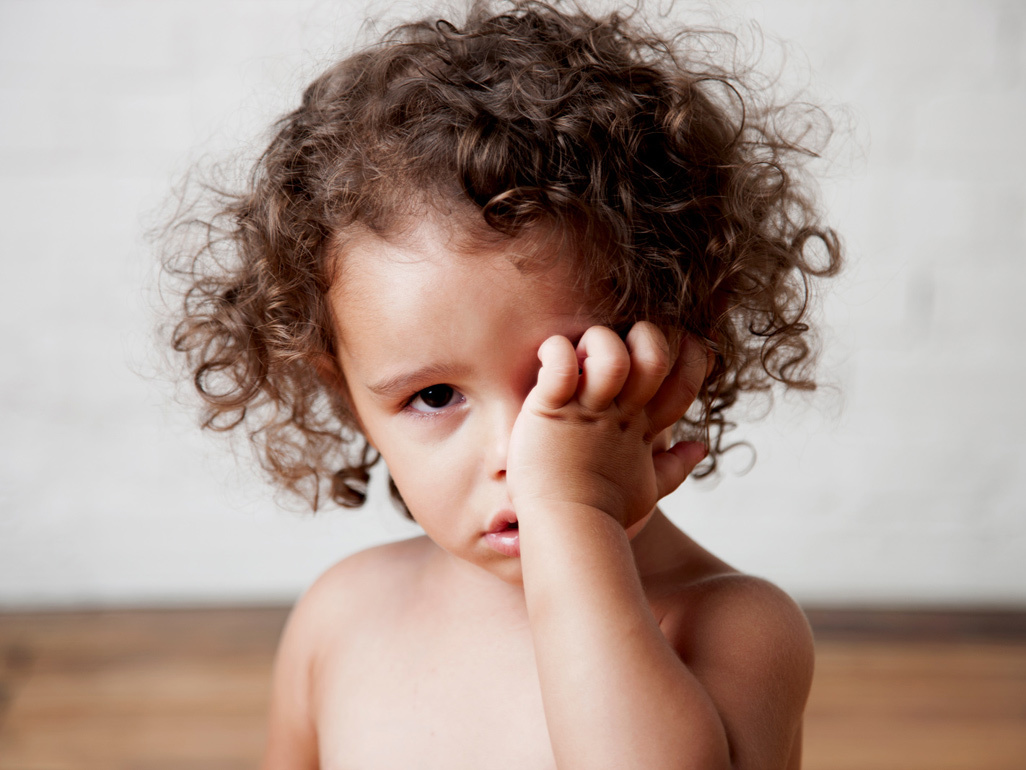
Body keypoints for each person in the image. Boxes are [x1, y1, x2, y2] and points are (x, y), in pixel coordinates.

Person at [162, 1, 842, 767]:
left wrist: (573, 516)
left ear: (687, 343)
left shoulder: (737, 626)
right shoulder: (340, 619)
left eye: (570, 377)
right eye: (434, 397)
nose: (522, 455)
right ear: (346, 393)